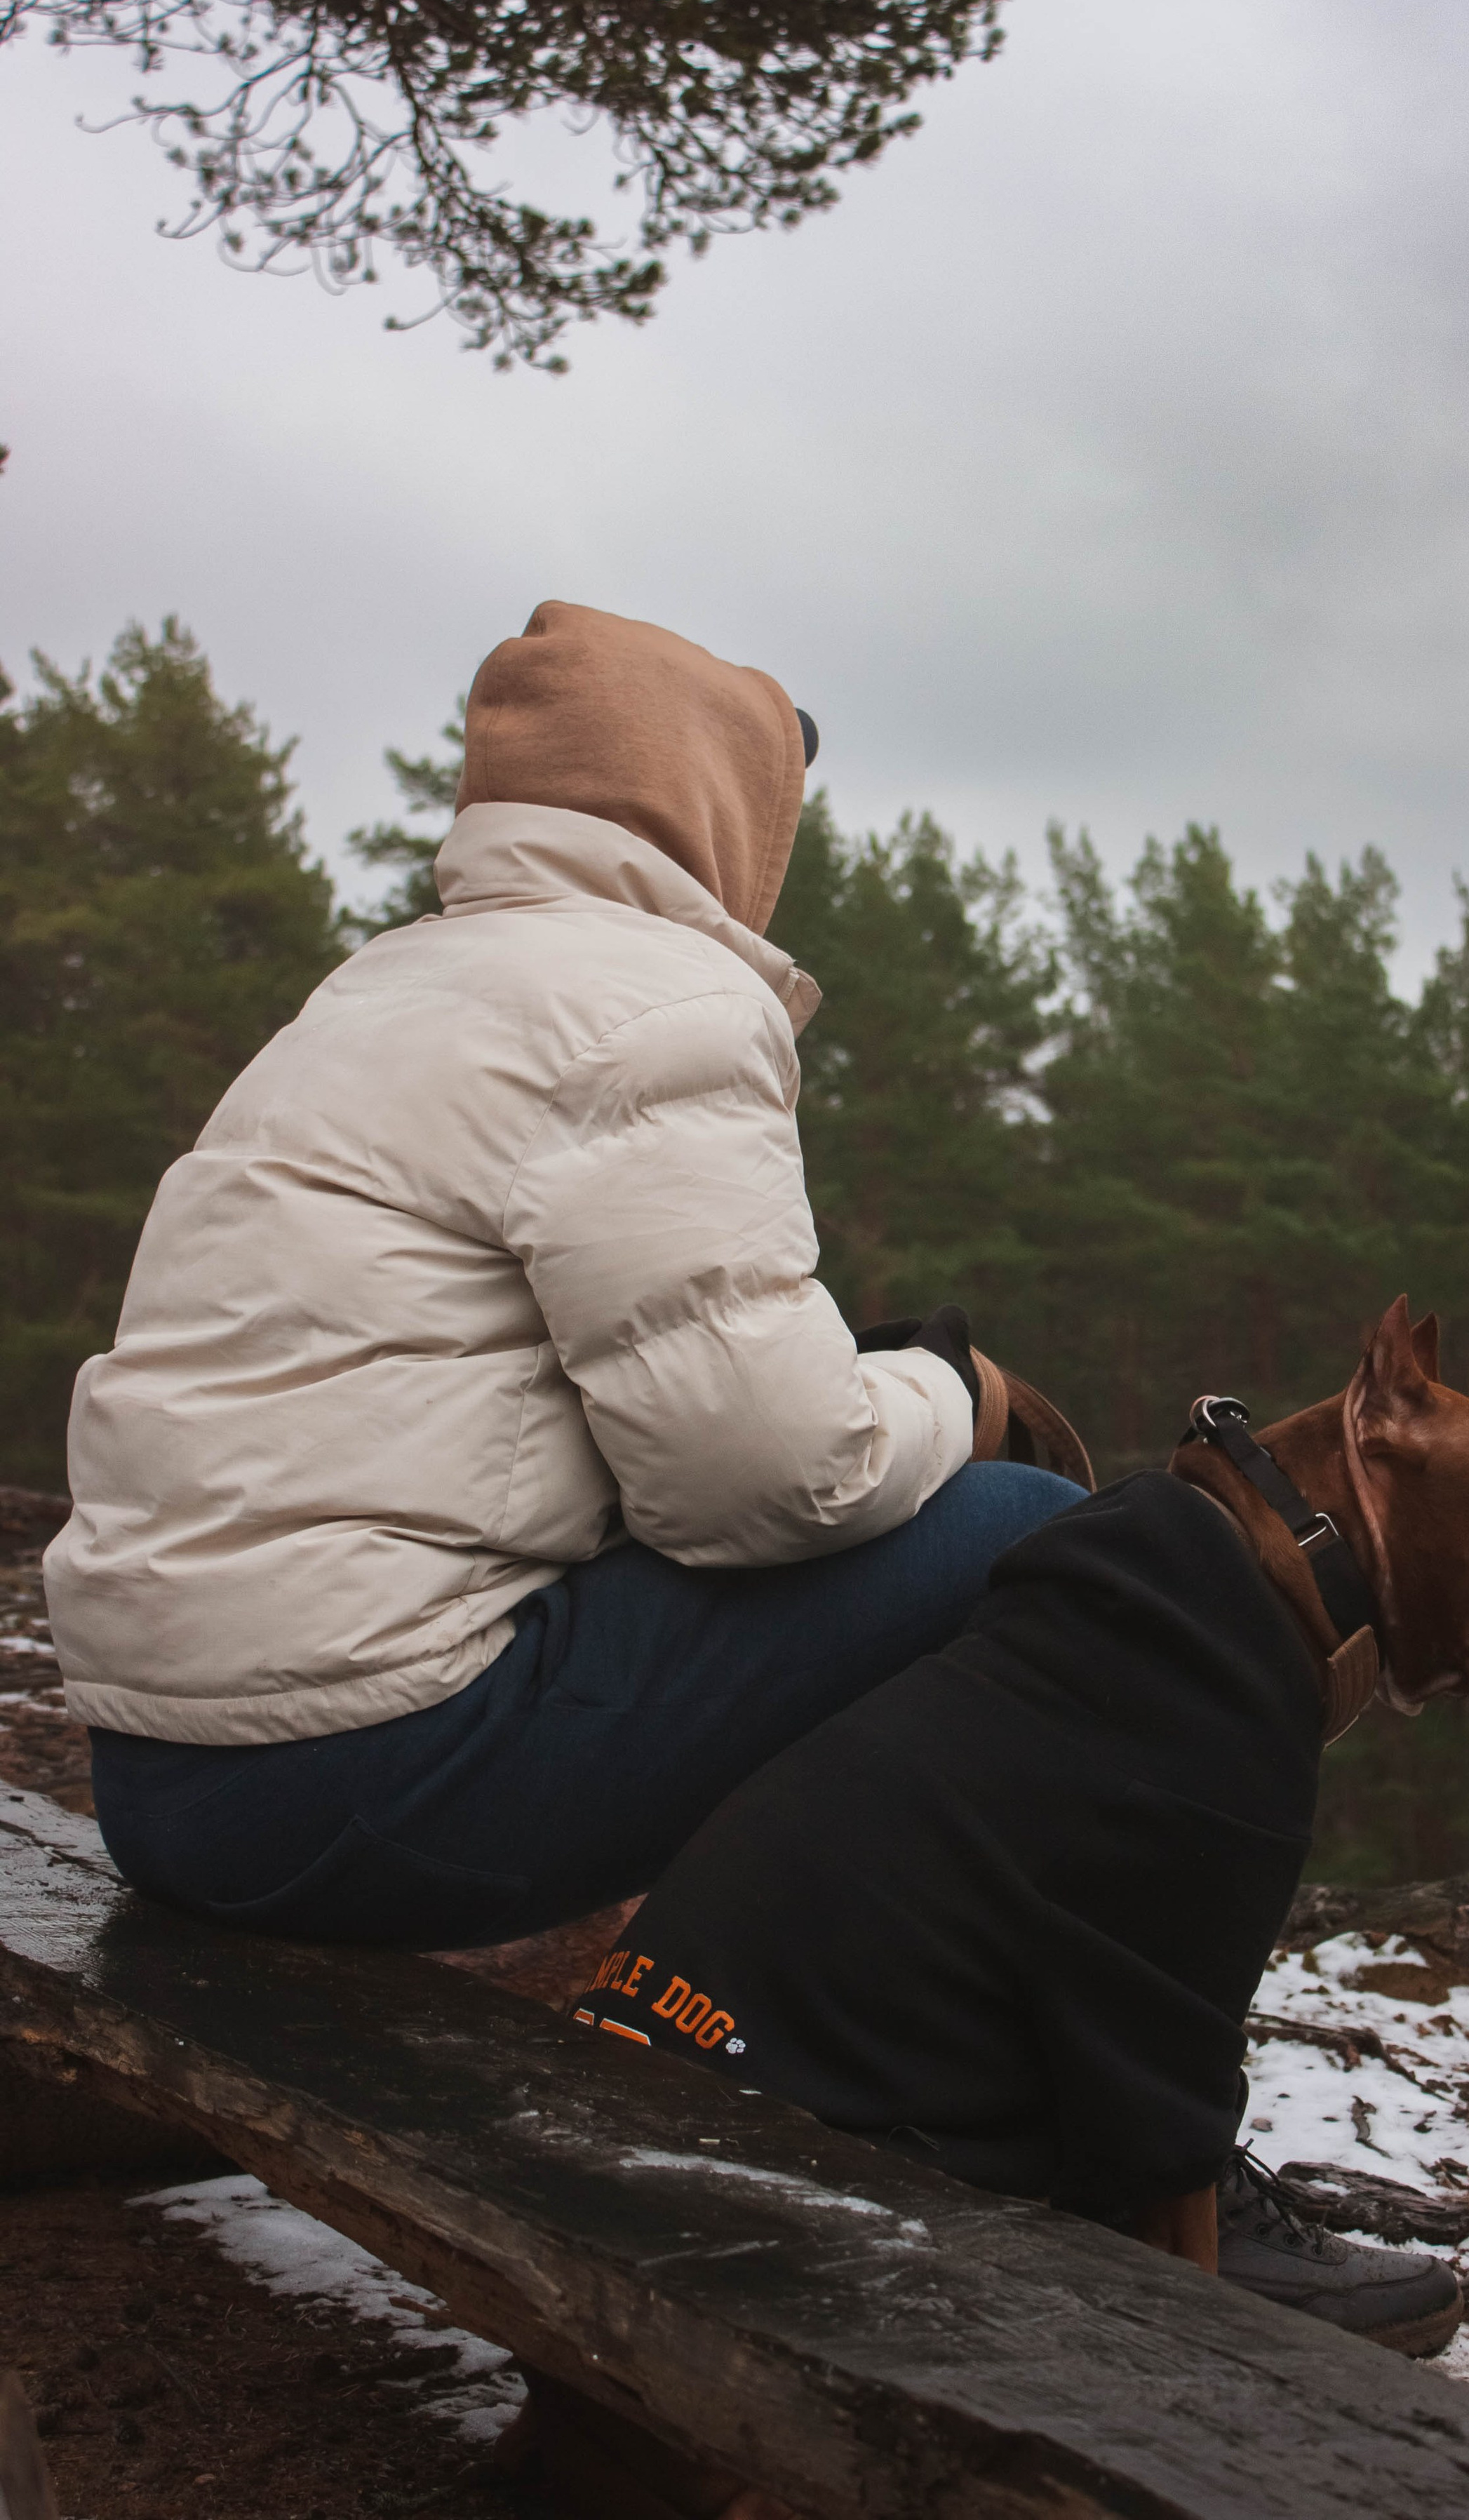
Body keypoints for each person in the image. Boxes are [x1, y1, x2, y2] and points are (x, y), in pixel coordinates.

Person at [44, 602, 1082, 1948]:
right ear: (715, 813)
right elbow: (773, 1483)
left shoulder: (375, 987)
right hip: (352, 1789)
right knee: (1021, 1522)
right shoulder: (656, 1009)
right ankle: (908, 2023)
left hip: (165, 1772)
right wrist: (947, 1387)